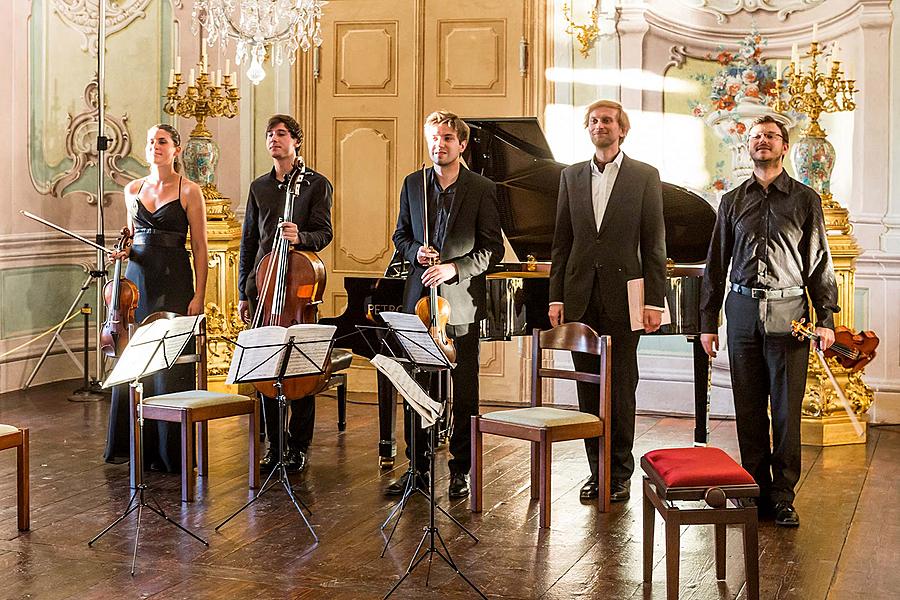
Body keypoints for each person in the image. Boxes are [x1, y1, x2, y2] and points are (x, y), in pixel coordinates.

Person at [700, 115, 838, 527]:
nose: (762, 141)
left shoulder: (805, 199)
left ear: (784, 147)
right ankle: (754, 490)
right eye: (756, 136)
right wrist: (708, 321)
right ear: (749, 147)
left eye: (771, 136)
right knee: (747, 407)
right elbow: (715, 264)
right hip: (741, 311)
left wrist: (826, 318)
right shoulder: (731, 201)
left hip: (790, 313)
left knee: (784, 409)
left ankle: (783, 496)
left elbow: (819, 262)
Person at [548, 99, 667, 503]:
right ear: (588, 129)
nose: (601, 126)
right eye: (594, 121)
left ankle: (618, 473)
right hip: (579, 297)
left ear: (622, 130)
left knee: (620, 388)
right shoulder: (570, 176)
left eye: (608, 121)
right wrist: (556, 296)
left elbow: (654, 244)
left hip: (625, 299)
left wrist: (655, 300)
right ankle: (594, 470)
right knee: (587, 389)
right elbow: (562, 242)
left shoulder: (645, 176)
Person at [388, 110, 504, 499]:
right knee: (417, 388)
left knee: (464, 391)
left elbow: (493, 249)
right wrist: (413, 252)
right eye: (434, 138)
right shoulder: (413, 184)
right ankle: (418, 469)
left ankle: (460, 470)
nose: (439, 144)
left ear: (462, 144)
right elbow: (400, 235)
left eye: (447, 139)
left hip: (460, 304)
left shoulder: (482, 189)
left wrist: (454, 268)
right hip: (418, 301)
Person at [104, 123, 208, 472]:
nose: (155, 146)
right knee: (136, 359)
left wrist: (199, 294)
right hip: (137, 281)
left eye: (162, 141)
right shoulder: (132, 189)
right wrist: (122, 253)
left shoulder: (190, 190)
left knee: (168, 362)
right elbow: (131, 238)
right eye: (150, 142)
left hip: (175, 278)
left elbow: (199, 247)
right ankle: (135, 445)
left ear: (176, 149)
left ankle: (170, 451)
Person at [238, 114, 333, 473]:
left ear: (296, 141)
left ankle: (298, 446)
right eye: (269, 135)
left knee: (298, 371)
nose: (274, 140)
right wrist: (244, 292)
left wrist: (301, 238)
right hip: (263, 289)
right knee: (266, 370)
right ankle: (274, 445)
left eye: (281, 134)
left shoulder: (315, 184)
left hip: (297, 292)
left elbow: (324, 233)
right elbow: (249, 242)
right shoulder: (259, 187)